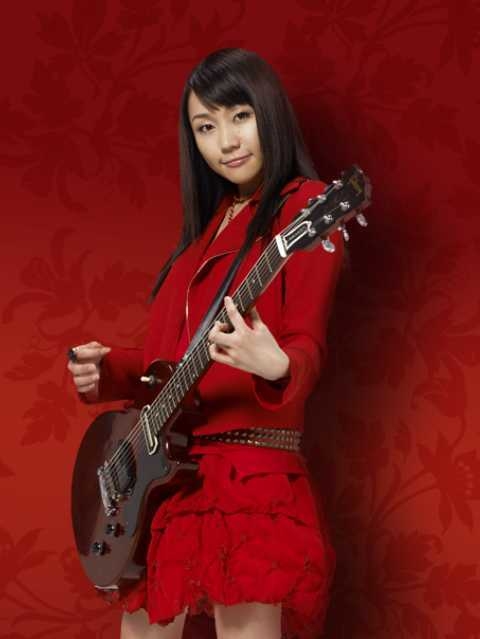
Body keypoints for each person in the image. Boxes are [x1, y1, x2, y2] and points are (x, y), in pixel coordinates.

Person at [67, 48, 344, 639]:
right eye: (206, 127)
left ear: (269, 112)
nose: (226, 141)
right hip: (169, 475)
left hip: (247, 474)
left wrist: (278, 365)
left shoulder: (305, 207)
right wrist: (110, 369)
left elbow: (307, 343)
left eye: (240, 116)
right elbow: (174, 362)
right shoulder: (204, 232)